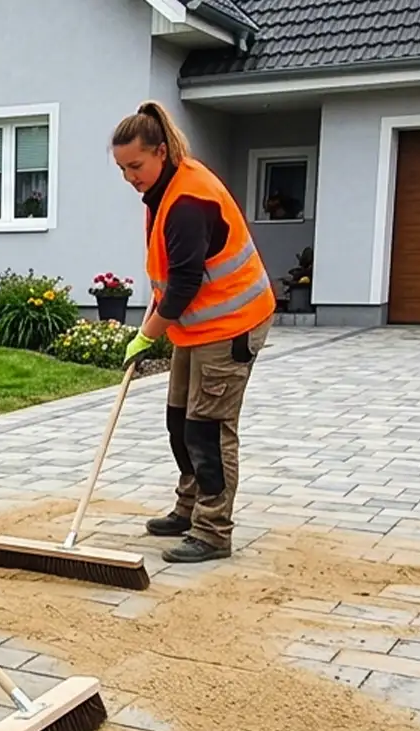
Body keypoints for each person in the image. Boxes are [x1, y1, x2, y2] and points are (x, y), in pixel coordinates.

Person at [114, 101, 277, 564]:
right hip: (197, 325)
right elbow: (170, 273)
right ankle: (189, 508)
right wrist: (155, 314)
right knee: (179, 421)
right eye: (122, 168)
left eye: (136, 165)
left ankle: (213, 530)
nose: (130, 177)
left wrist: (147, 334)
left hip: (232, 324)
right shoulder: (162, 191)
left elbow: (185, 284)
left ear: (160, 152)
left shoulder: (188, 199)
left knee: (208, 429)